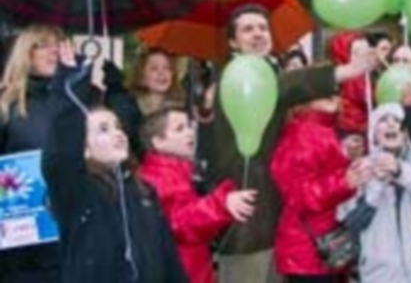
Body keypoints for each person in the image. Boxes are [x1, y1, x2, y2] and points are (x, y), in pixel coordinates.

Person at [196, 4, 379, 283]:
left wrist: (338, 151)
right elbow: (288, 85)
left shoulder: (268, 73)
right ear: (233, 43)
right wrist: (346, 70)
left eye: (262, 27)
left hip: (279, 226)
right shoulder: (235, 78)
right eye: (248, 29)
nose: (258, 34)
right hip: (247, 229)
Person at [0, 26, 135, 282]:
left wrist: (114, 90)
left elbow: (124, 139)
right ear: (25, 54)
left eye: (60, 43)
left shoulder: (89, 98)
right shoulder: (7, 105)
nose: (54, 49)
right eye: (43, 44)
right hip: (27, 243)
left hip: (85, 226)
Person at [42, 46, 188, 282]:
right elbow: (59, 151)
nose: (118, 134)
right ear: (84, 148)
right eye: (103, 129)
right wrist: (70, 83)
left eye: (118, 127)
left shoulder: (144, 191)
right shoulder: (77, 192)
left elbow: (168, 257)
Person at [138, 107, 257, 283]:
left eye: (188, 126)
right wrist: (220, 203)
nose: (189, 132)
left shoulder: (176, 171)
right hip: (182, 271)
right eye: (179, 129)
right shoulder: (159, 177)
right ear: (158, 142)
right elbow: (180, 221)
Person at [340, 103, 411, 283]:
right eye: (383, 121)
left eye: (397, 121)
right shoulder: (358, 171)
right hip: (381, 276)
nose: (392, 124)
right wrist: (376, 186)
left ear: (406, 134)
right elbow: (352, 224)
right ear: (374, 136)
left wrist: (401, 172)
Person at [270, 95, 370, 283]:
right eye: (321, 90)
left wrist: (345, 156)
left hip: (321, 246)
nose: (331, 95)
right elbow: (299, 195)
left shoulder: (321, 130)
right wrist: (344, 181)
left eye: (332, 89)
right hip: (308, 250)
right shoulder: (303, 133)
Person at [127, 49, 186, 117]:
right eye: (154, 68)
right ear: (142, 76)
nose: (161, 73)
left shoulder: (183, 107)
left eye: (167, 68)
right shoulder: (129, 106)